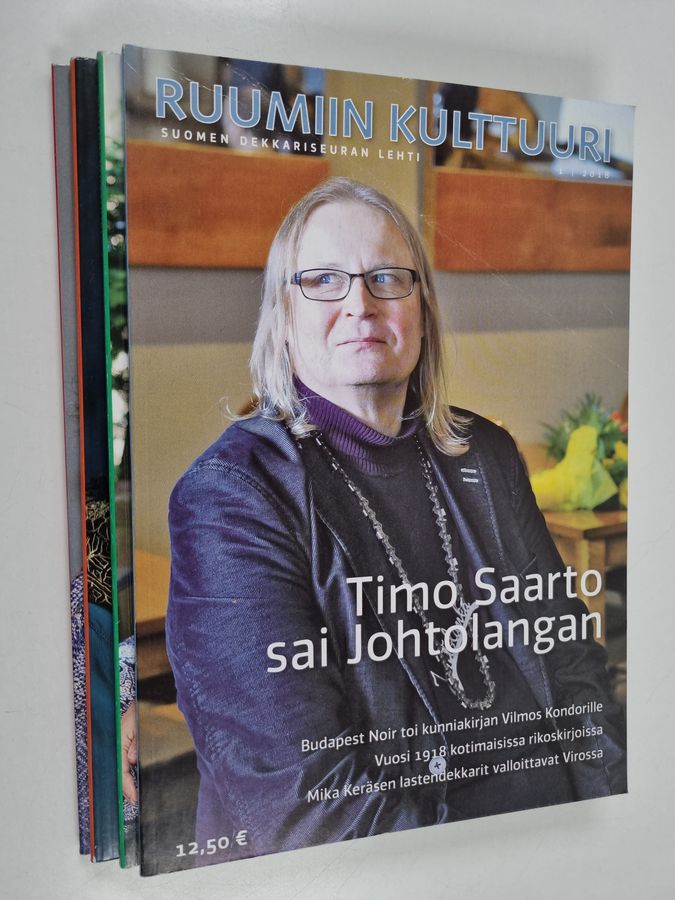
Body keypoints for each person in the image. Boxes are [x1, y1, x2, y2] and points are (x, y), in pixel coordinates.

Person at [166, 177, 625, 864]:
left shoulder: (486, 453)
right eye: (323, 280)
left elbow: (572, 665)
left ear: (423, 311)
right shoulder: (231, 498)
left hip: (566, 846)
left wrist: (613, 829)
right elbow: (302, 799)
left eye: (386, 277)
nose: (360, 303)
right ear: (282, 317)